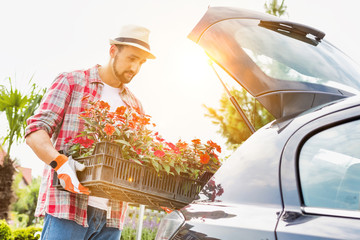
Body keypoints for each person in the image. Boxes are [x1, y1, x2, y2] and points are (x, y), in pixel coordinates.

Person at [25, 24, 156, 240]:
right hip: (67, 210)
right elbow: (36, 131)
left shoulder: (135, 105)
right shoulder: (72, 82)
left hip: (112, 219)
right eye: (132, 58)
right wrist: (60, 164)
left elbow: (138, 158)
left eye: (141, 62)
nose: (135, 68)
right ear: (113, 50)